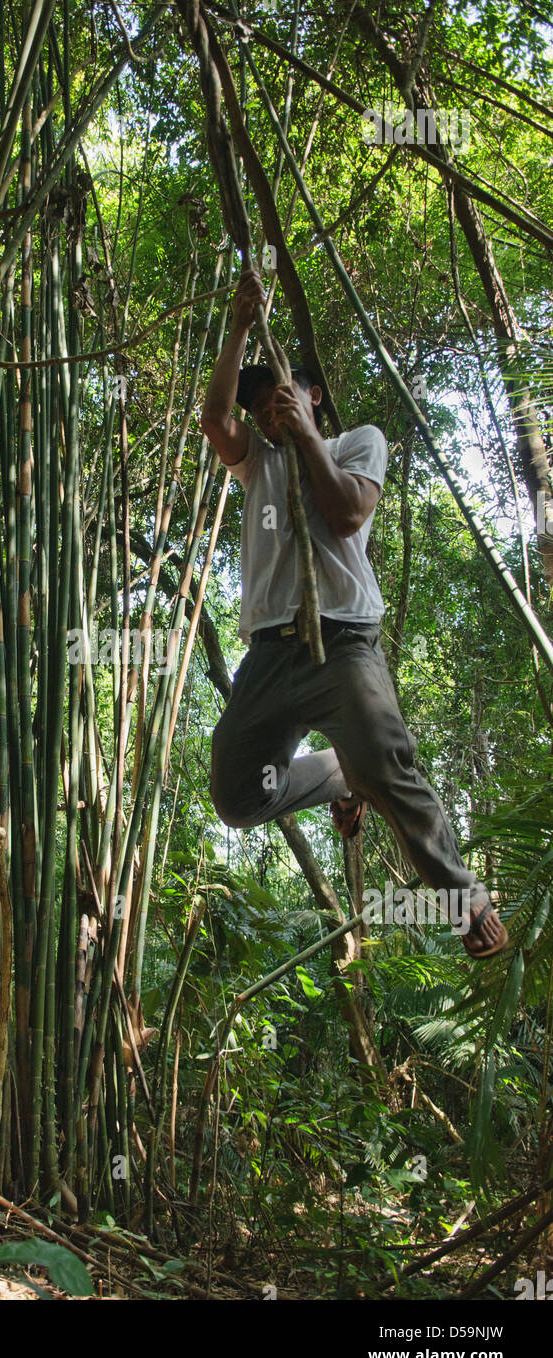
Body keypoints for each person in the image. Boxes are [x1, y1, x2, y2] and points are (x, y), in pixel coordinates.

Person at [200, 267, 508, 959]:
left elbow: (342, 516)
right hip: (271, 654)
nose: (263, 407)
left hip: (342, 644)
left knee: (389, 768)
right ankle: (338, 773)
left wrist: (307, 433)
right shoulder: (257, 461)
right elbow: (213, 420)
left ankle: (464, 897)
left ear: (312, 396)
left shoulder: (354, 441)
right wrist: (240, 325)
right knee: (236, 795)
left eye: (279, 393)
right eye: (258, 403)